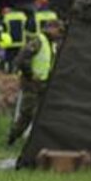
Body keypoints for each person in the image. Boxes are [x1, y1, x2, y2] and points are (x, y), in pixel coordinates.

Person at [7, 17, 63, 145]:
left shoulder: (50, 44)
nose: (59, 35)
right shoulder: (38, 41)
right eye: (58, 31)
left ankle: (38, 140)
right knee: (27, 113)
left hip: (43, 83)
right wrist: (30, 74)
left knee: (43, 112)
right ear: (51, 28)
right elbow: (21, 59)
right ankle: (12, 137)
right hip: (32, 84)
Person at [0, 5, 27, 72]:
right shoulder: (22, 16)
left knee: (9, 60)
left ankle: (9, 72)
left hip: (10, 43)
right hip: (21, 42)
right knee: (21, 59)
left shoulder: (6, 18)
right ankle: (19, 72)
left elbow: (3, 30)